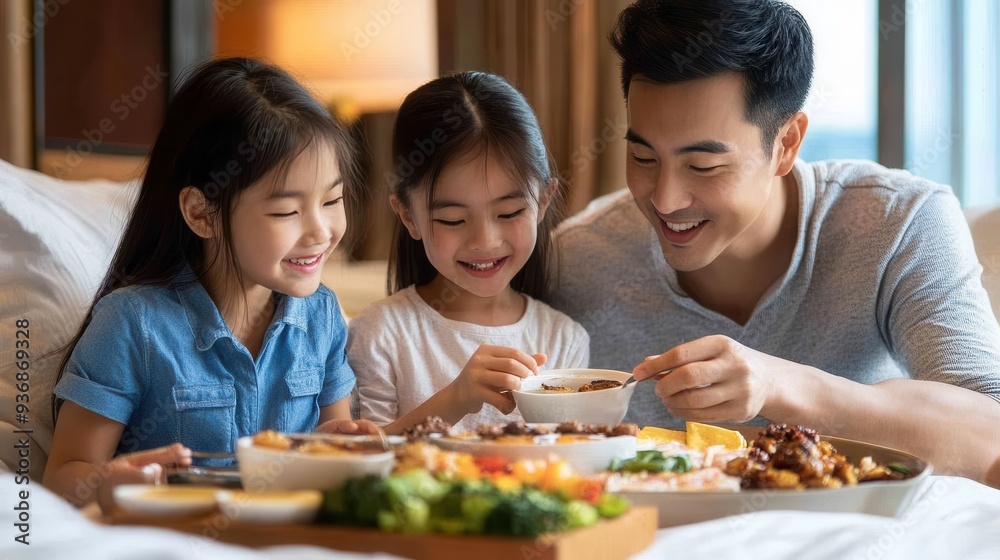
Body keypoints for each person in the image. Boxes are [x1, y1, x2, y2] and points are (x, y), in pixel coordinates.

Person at [548, 0, 1000, 482]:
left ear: (786, 143)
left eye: (704, 166)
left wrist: (779, 385)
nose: (665, 198)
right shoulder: (577, 262)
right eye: (642, 157)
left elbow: (988, 433)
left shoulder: (899, 223)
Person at [43, 57, 376, 507]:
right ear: (201, 212)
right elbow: (63, 477)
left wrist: (336, 446)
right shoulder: (133, 324)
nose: (321, 232)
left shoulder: (321, 315)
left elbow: (327, 441)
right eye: (286, 211)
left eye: (332, 200)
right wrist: (111, 480)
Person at [347, 72, 589, 435]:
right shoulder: (381, 333)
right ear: (409, 216)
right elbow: (364, 459)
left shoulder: (562, 338)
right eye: (452, 219)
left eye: (508, 214)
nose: (484, 240)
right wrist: (454, 400)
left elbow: (570, 459)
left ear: (542, 202)